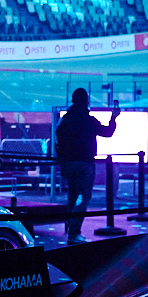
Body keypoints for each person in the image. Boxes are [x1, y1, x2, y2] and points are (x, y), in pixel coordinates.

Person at [54, 88, 117, 242]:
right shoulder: (88, 120)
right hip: (85, 163)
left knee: (72, 196)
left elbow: (58, 138)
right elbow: (107, 132)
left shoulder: (65, 119)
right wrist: (113, 118)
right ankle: (74, 233)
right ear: (86, 101)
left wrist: (63, 160)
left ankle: (71, 228)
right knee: (83, 197)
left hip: (69, 163)